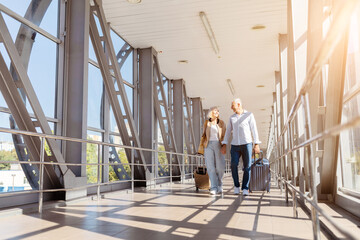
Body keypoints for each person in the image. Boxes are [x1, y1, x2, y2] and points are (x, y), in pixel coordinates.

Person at [221, 98, 261, 196]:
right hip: (235, 145)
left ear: (239, 104)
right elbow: (228, 131)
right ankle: (236, 186)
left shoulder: (249, 115)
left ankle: (245, 188)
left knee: (247, 166)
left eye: (232, 105)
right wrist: (224, 144)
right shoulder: (232, 118)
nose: (231, 107)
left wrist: (256, 144)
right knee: (233, 165)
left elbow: (254, 129)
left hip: (247, 144)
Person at [202, 106, 226, 195]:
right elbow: (204, 135)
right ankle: (213, 187)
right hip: (208, 145)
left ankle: (220, 184)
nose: (217, 112)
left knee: (220, 166)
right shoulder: (207, 123)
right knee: (210, 166)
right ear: (211, 112)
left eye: (218, 111)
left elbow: (224, 135)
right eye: (215, 110)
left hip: (218, 144)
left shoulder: (221, 123)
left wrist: (224, 146)